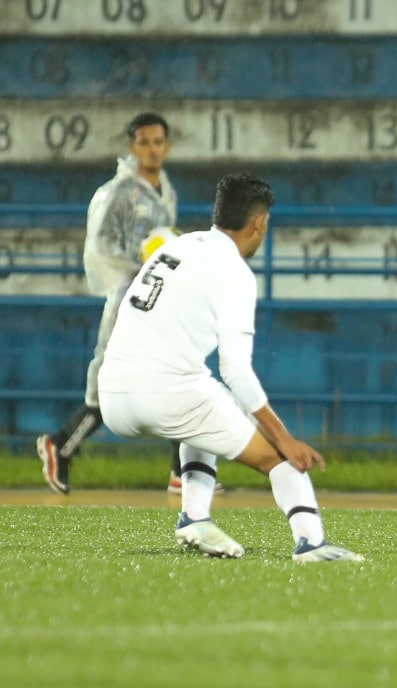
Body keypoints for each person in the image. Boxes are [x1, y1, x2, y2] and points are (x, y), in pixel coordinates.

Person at [98, 173, 363, 562]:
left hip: (113, 397)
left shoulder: (176, 246)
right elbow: (235, 370)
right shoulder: (235, 271)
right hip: (163, 395)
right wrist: (284, 437)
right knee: (276, 456)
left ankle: (194, 519)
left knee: (204, 404)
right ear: (258, 223)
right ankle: (311, 543)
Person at [37, 112, 194, 495]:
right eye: (145, 142)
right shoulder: (122, 192)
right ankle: (62, 444)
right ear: (132, 146)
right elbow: (101, 244)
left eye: (159, 142)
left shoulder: (164, 190)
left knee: (174, 371)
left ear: (167, 146)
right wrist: (142, 258)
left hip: (157, 296)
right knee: (110, 382)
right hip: (128, 298)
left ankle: (182, 471)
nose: (153, 149)